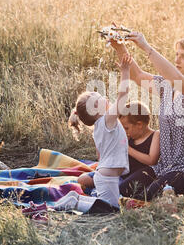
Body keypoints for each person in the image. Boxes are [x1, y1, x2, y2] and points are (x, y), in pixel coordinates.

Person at [111, 31, 184, 201]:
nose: (177, 60)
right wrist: (120, 47)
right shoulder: (167, 86)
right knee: (122, 191)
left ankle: (182, 199)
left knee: (143, 199)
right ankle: (171, 197)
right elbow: (138, 76)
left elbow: (178, 79)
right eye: (176, 54)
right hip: (165, 166)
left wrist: (146, 47)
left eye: (183, 56)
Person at [25, 53, 132, 216]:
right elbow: (123, 96)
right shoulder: (107, 121)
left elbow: (100, 154)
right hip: (108, 177)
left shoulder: (99, 126)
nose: (105, 98)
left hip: (103, 175)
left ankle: (75, 198)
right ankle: (74, 203)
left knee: (108, 205)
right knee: (112, 210)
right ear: (96, 109)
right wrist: (125, 71)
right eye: (100, 98)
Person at [78, 100, 160, 198]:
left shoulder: (156, 135)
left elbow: (152, 160)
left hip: (134, 176)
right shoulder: (128, 137)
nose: (124, 131)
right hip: (118, 173)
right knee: (82, 179)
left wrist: (128, 149)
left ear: (139, 125)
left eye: (126, 128)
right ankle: (98, 189)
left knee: (119, 188)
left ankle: (97, 192)